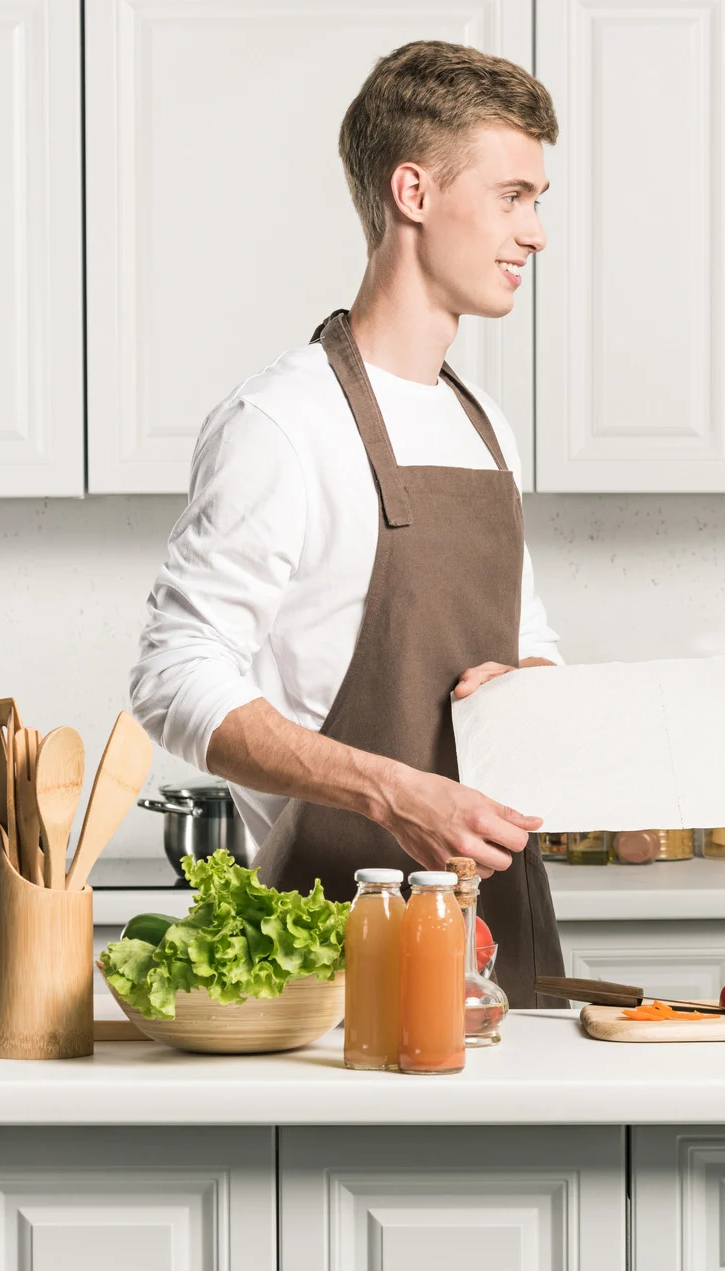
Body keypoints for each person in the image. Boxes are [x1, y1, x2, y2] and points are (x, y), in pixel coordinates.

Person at [129, 41, 565, 1006]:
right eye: (513, 196)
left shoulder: (485, 427)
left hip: (494, 924)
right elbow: (173, 676)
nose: (536, 233)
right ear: (413, 190)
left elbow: (534, 645)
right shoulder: (281, 423)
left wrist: (526, 689)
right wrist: (394, 791)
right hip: (331, 936)